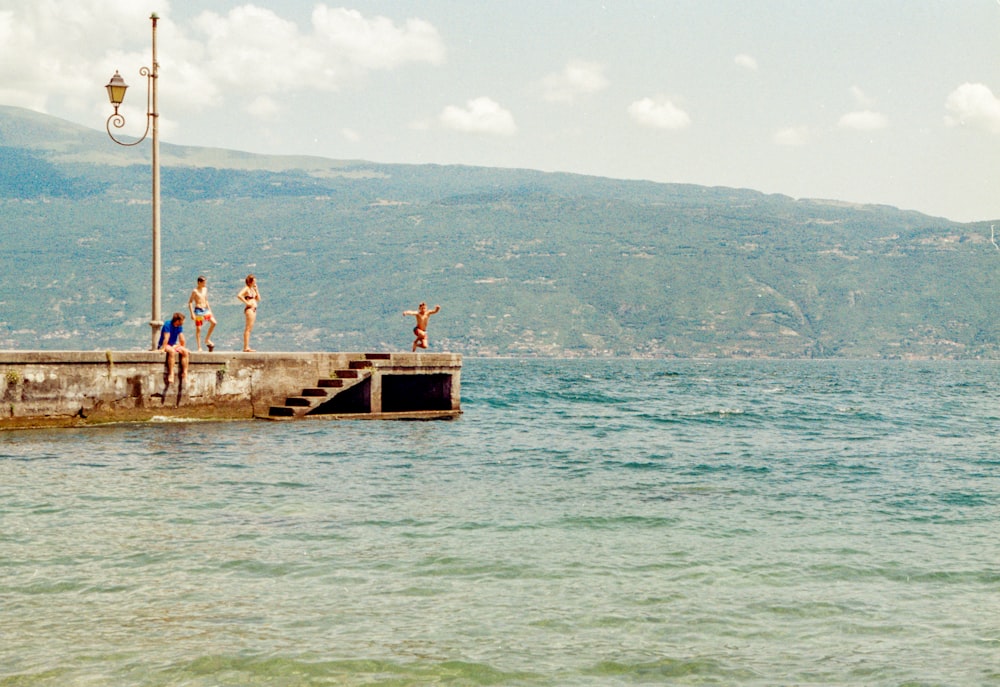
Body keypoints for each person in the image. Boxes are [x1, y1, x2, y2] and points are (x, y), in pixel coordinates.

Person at [187, 275, 217, 352]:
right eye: (203, 283)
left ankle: (207, 339)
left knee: (214, 322)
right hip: (198, 311)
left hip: (205, 310)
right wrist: (192, 313)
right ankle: (199, 347)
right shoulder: (195, 291)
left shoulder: (205, 289)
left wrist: (210, 310)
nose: (204, 284)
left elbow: (206, 300)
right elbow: (190, 302)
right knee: (199, 329)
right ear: (199, 282)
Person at [158, 312, 190, 384]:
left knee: (185, 352)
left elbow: (182, 339)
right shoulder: (167, 324)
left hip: (172, 345)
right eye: (182, 320)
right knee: (172, 351)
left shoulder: (179, 326)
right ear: (178, 320)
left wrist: (182, 347)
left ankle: (185, 373)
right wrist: (163, 349)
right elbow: (166, 337)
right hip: (164, 344)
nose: (183, 322)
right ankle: (171, 374)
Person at [237, 274, 261, 352]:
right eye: (254, 281)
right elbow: (239, 295)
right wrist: (247, 303)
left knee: (250, 328)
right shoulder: (246, 288)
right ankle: (246, 347)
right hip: (249, 309)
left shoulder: (252, 289)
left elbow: (258, 299)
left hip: (254, 308)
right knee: (248, 328)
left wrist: (257, 290)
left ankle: (247, 346)